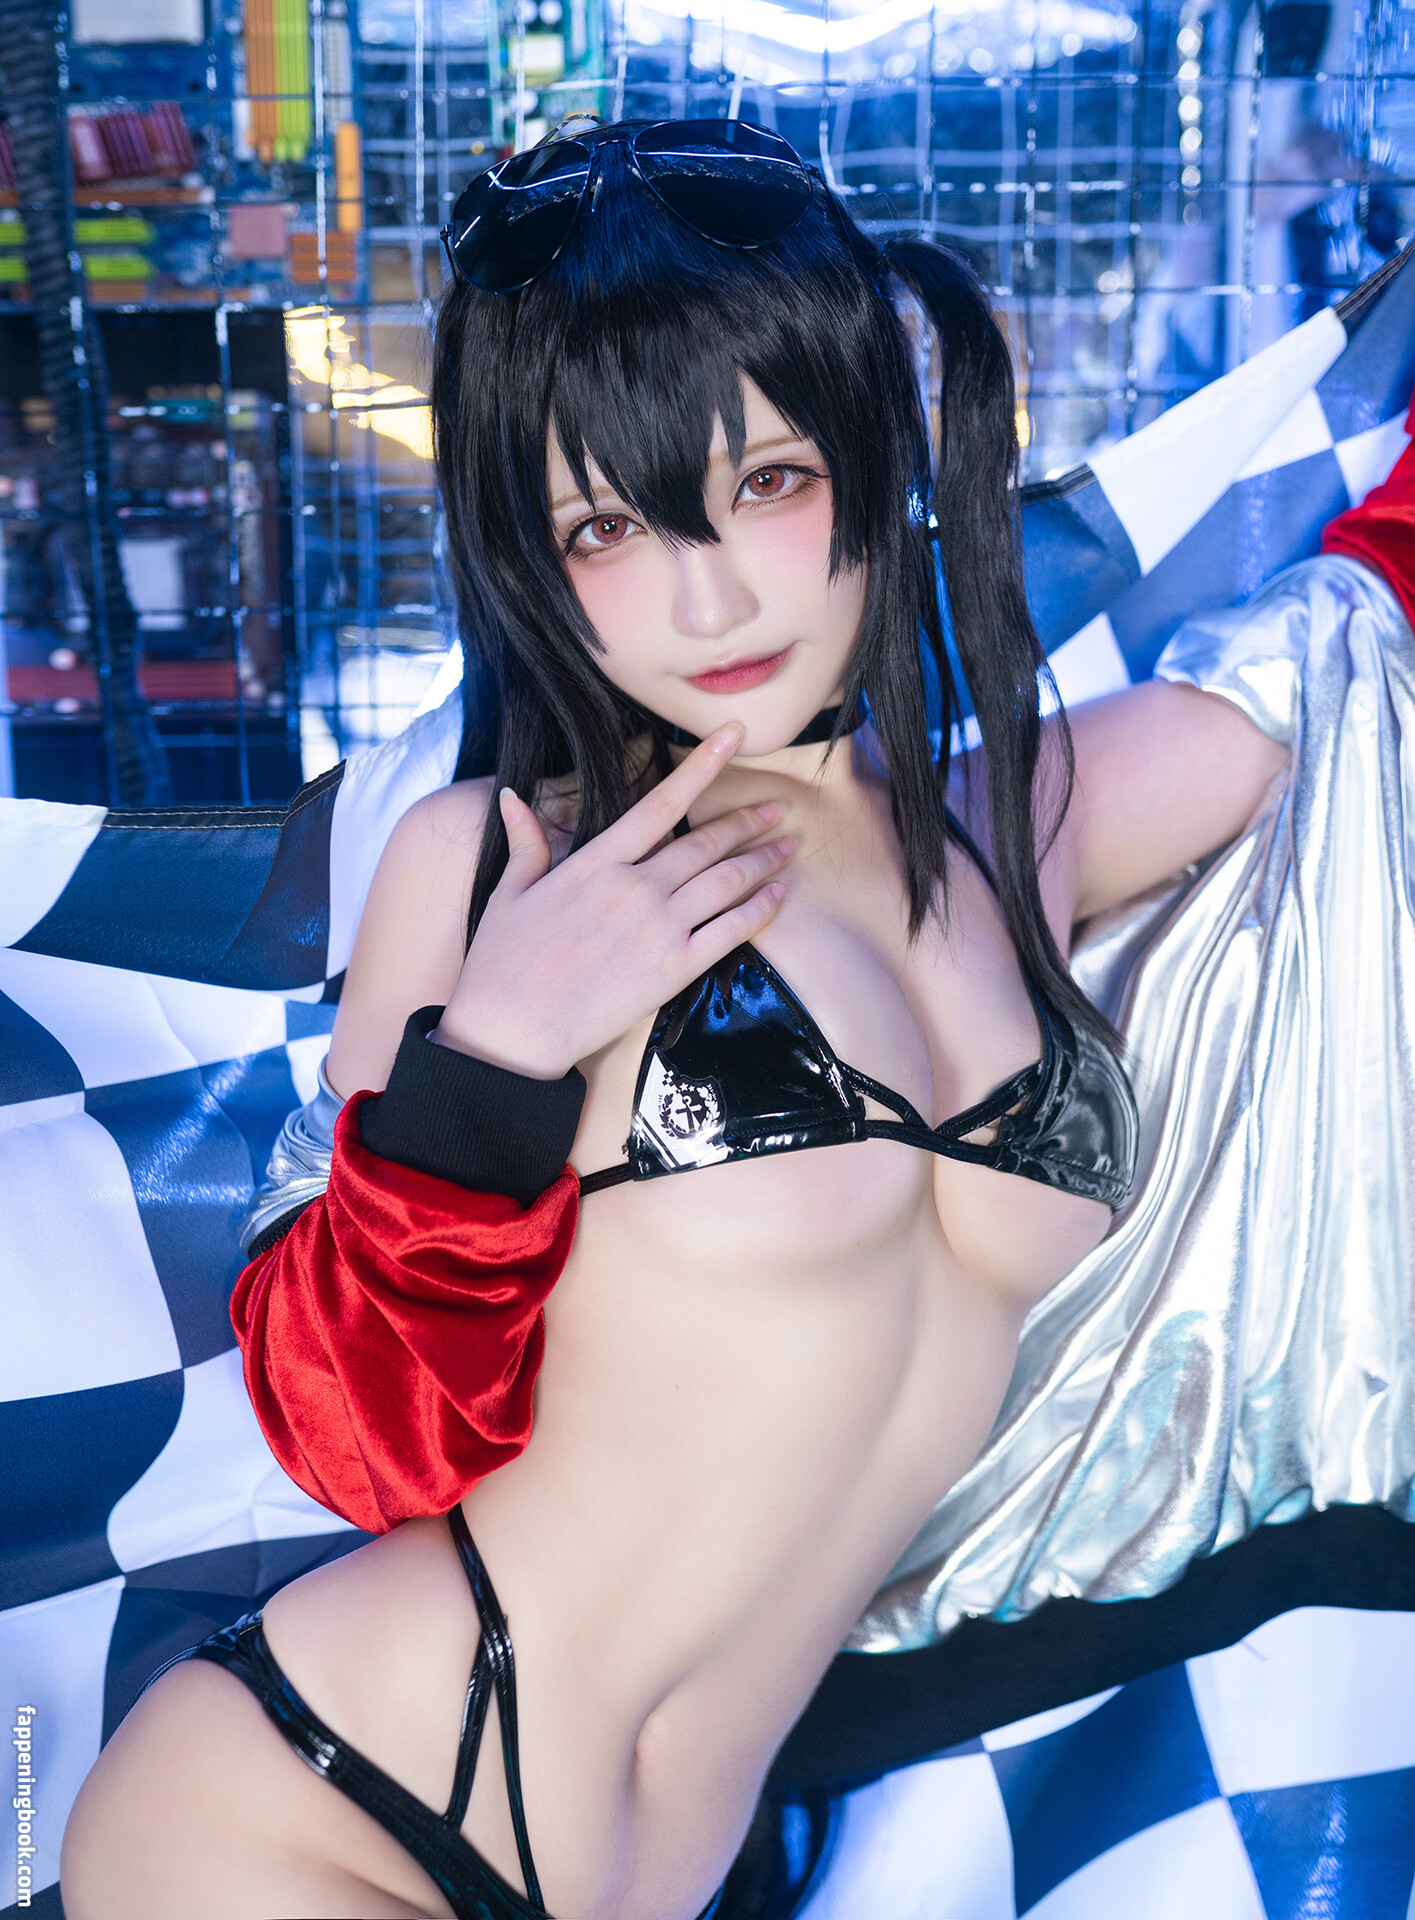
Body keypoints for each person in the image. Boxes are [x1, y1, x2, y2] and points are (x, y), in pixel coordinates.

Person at [60, 118, 1292, 1920]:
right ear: (530, 556)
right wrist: (490, 1058)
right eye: (611, 525)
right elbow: (362, 1444)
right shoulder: (505, 864)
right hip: (324, 1807)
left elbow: (1310, 692)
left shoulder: (1009, 825)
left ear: (878, 455)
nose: (709, 598)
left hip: (680, 1870)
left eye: (772, 481)